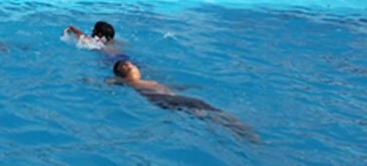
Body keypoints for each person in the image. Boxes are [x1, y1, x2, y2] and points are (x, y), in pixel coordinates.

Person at [110, 60, 257, 141]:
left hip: (175, 98)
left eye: (130, 64)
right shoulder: (126, 81)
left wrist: (187, 87)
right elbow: (107, 82)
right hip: (162, 99)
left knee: (206, 109)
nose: (130, 65)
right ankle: (236, 132)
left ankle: (242, 130)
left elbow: (172, 87)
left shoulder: (151, 81)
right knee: (202, 112)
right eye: (127, 65)